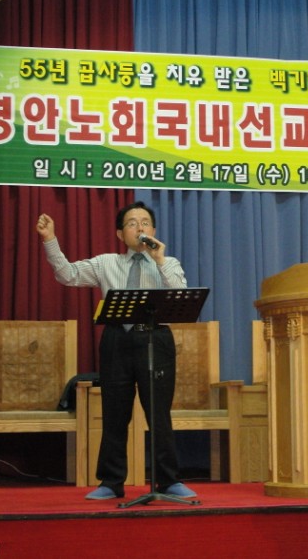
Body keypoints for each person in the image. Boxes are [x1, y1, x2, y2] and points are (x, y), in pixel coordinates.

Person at [36, 201, 196, 500]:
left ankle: (168, 480)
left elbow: (179, 294)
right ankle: (111, 482)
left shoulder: (168, 262)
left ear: (153, 230)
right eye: (132, 223)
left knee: (159, 413)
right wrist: (50, 240)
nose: (140, 228)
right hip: (116, 340)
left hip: (156, 339)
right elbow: (68, 275)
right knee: (114, 414)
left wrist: (159, 259)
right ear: (121, 234)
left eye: (145, 222)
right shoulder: (106, 263)